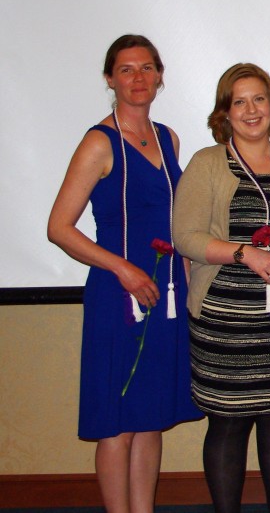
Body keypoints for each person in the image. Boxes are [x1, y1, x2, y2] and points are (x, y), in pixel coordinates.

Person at [47, 34, 201, 513]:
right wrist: (124, 269)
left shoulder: (168, 138)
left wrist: (192, 286)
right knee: (117, 419)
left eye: (147, 68)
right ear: (110, 79)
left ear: (159, 77)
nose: (138, 78)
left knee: (150, 415)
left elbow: (180, 222)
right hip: (119, 293)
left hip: (168, 291)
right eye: (127, 69)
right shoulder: (99, 142)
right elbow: (59, 228)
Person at [173, 63, 270, 513]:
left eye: (259, 98)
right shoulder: (207, 164)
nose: (251, 109)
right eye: (239, 101)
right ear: (225, 111)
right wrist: (245, 253)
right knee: (227, 426)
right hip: (225, 323)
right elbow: (186, 236)